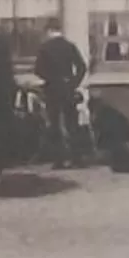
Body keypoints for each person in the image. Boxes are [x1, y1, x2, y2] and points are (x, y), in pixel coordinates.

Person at [33, 25, 91, 168]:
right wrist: (73, 82)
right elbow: (82, 66)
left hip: (52, 90)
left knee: (54, 125)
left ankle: (58, 160)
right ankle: (77, 158)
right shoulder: (69, 46)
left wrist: (51, 78)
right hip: (68, 89)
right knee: (72, 124)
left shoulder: (45, 48)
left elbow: (38, 70)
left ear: (49, 31)